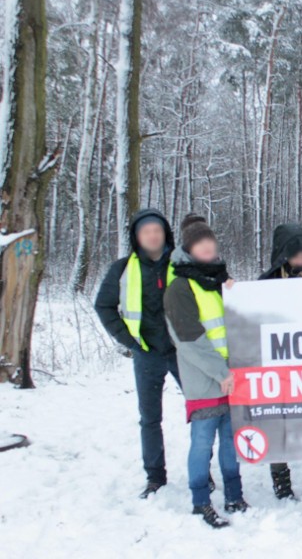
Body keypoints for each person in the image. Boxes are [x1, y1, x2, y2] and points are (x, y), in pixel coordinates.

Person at [164, 216, 248, 528]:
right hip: (205, 378)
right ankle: (200, 501)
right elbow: (189, 340)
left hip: (231, 375)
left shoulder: (218, 282)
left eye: (211, 242)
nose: (208, 247)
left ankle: (234, 495)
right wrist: (220, 372)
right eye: (201, 243)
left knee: (230, 439)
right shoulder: (180, 288)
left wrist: (235, 292)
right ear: (188, 249)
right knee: (202, 441)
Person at [95, 209, 185, 499]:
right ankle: (155, 477)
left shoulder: (182, 264)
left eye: (157, 229)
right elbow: (103, 306)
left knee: (203, 413)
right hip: (146, 353)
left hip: (183, 352)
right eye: (146, 231)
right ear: (136, 236)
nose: (152, 235)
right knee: (150, 419)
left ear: (165, 233)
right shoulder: (122, 268)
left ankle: (202, 472)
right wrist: (128, 341)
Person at [259, 222, 302, 503]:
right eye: (295, 254)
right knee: (278, 425)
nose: (301, 259)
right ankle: (282, 484)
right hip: (278, 366)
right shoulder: (266, 284)